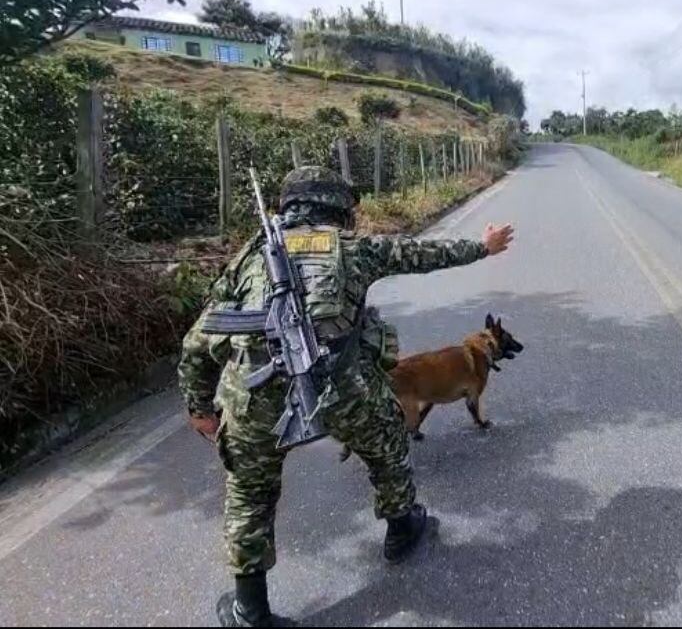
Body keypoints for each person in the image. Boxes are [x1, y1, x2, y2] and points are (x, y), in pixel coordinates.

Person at [177, 166, 514, 627]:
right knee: (389, 447)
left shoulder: (250, 257)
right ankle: (401, 530)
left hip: (254, 396)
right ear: (339, 207)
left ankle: (249, 609)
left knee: (249, 494)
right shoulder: (355, 248)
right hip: (344, 390)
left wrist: (200, 407)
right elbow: (423, 253)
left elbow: (200, 338)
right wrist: (482, 246)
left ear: (288, 205)